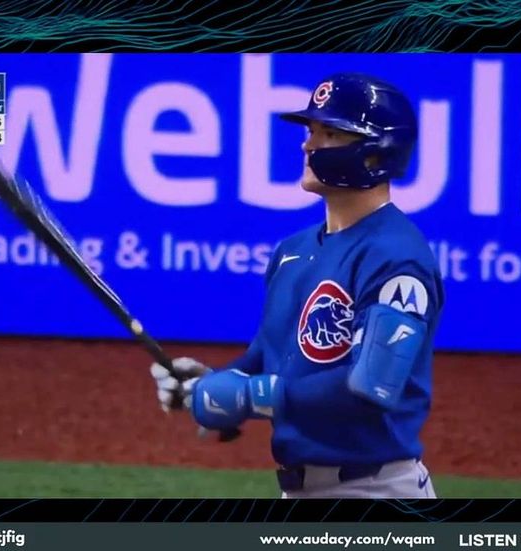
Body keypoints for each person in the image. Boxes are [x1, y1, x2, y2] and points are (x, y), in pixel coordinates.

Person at [151, 73, 444, 499]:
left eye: (330, 134)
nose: (308, 145)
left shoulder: (396, 256)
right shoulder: (293, 251)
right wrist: (211, 384)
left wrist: (247, 396)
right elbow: (268, 360)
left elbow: (373, 387)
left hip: (373, 490)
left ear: (375, 152)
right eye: (310, 131)